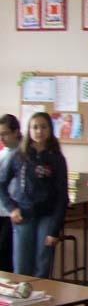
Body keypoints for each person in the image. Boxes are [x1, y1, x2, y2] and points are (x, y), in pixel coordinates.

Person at [0, 112, 68, 277]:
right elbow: (1, 184)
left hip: (47, 216)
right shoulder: (18, 155)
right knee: (22, 266)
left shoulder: (56, 158)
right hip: (23, 215)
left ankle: (41, 295)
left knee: (42, 266)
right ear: (28, 130)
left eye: (43, 127)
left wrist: (55, 230)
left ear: (50, 130)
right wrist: (11, 208)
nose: (39, 131)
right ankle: (22, 294)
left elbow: (62, 196)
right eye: (35, 127)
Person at [0, 114, 22, 272]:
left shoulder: (23, 153)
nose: (2, 138)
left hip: (13, 212)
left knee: (7, 254)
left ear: (16, 132)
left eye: (5, 134)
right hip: (0, 210)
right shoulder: (2, 154)